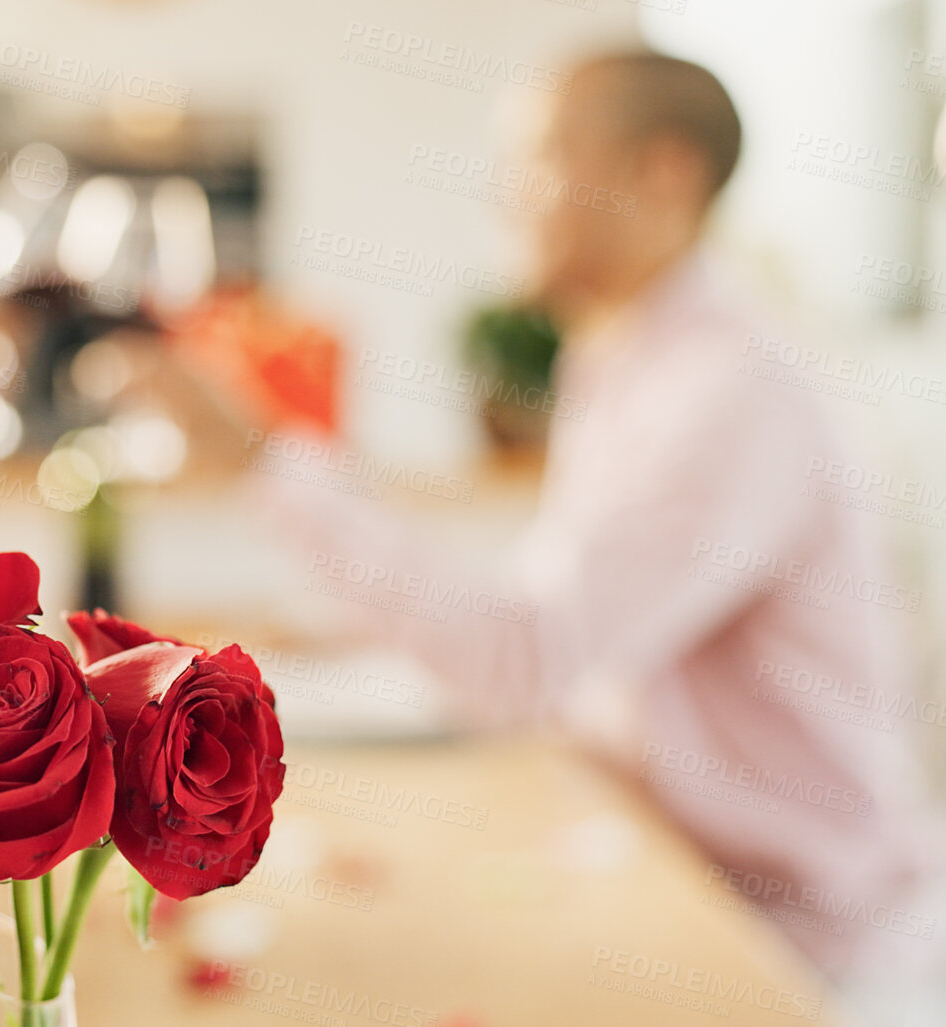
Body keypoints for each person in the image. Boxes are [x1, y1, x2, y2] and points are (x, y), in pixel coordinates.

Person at [262, 53, 940, 995]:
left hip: (793, 949)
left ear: (660, 174)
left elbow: (525, 658)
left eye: (537, 161)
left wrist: (271, 464)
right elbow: (553, 627)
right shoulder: (627, 355)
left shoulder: (731, 392)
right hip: (678, 873)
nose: (505, 196)